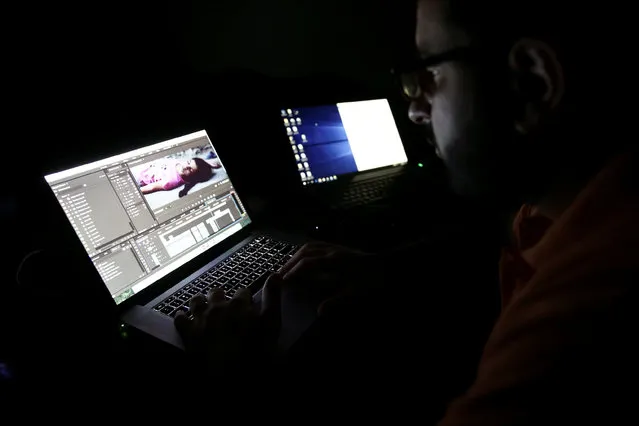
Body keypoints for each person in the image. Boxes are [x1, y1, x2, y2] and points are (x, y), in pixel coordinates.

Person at [173, 0, 639, 420]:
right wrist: (393, 274)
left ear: (534, 81)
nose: (415, 110)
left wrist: (231, 379)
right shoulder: (555, 207)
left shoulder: (575, 318)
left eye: (429, 75)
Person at [135, 156, 222, 198]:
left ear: (191, 176)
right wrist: (209, 164)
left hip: (141, 176)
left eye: (190, 169)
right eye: (188, 162)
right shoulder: (183, 164)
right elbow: (195, 163)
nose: (185, 166)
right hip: (147, 165)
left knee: (192, 182)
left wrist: (136, 192)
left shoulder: (171, 181)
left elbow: (152, 187)